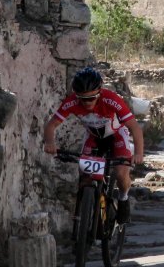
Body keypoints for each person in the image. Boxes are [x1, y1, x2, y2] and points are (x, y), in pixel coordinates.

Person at [43, 67, 144, 224]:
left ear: (100, 92)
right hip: (94, 137)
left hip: (117, 135)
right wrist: (50, 143)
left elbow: (134, 127)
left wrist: (138, 153)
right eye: (82, 99)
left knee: (120, 173)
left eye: (91, 98)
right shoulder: (71, 102)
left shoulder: (111, 99)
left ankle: (123, 198)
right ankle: (89, 209)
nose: (87, 103)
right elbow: (51, 125)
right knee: (85, 177)